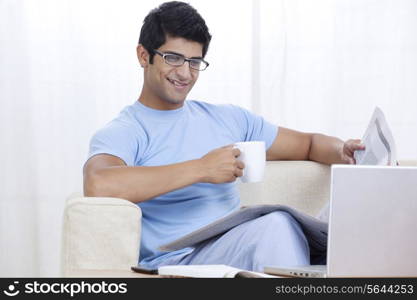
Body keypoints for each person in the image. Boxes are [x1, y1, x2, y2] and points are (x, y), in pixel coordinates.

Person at [83, 1, 364, 272]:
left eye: (194, 61)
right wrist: (201, 169)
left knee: (334, 225)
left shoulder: (228, 118)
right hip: (178, 262)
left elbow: (310, 144)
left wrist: (343, 151)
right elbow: (98, 184)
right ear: (144, 56)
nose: (184, 73)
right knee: (277, 225)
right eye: (173, 58)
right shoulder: (126, 129)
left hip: (236, 246)